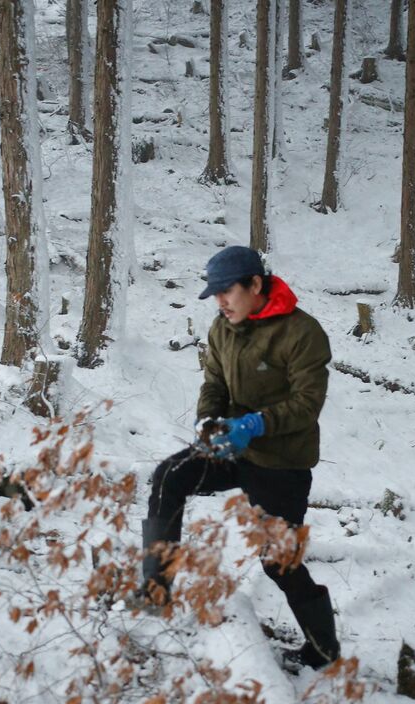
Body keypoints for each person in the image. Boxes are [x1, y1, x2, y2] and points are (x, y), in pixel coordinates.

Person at [141, 245, 340, 670]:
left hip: (281, 462)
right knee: (168, 476)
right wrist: (208, 422)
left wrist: (254, 425)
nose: (220, 302)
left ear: (255, 284)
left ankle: (323, 649)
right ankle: (155, 594)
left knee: (278, 563)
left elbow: (308, 402)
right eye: (214, 294)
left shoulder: (302, 333)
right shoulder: (222, 328)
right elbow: (213, 381)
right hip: (230, 448)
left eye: (227, 291)